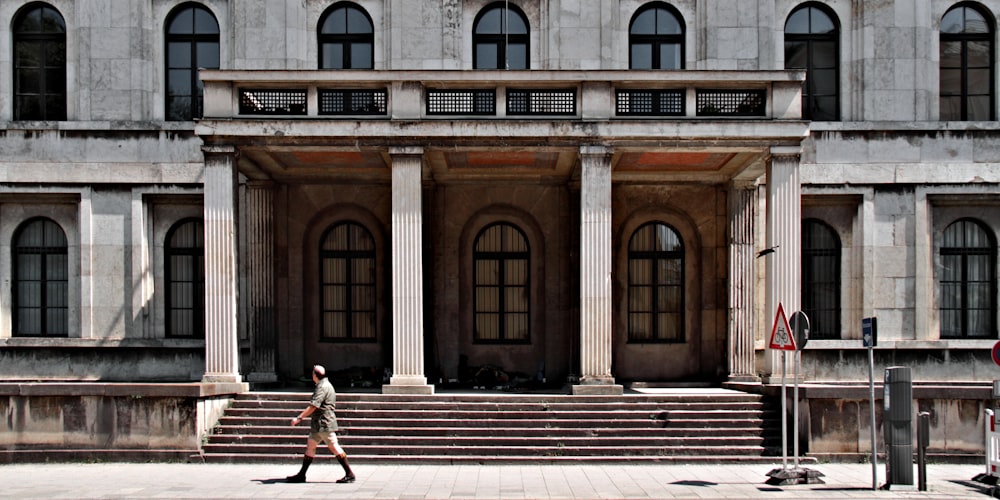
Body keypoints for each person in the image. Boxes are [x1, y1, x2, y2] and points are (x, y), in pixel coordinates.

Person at [286, 364, 356, 484]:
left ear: (314, 375)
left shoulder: (322, 387)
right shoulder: (324, 385)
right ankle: (302, 475)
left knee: (334, 446)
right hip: (319, 424)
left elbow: (314, 405)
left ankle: (350, 474)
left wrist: (299, 417)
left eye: (312, 373)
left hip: (324, 424)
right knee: (311, 447)